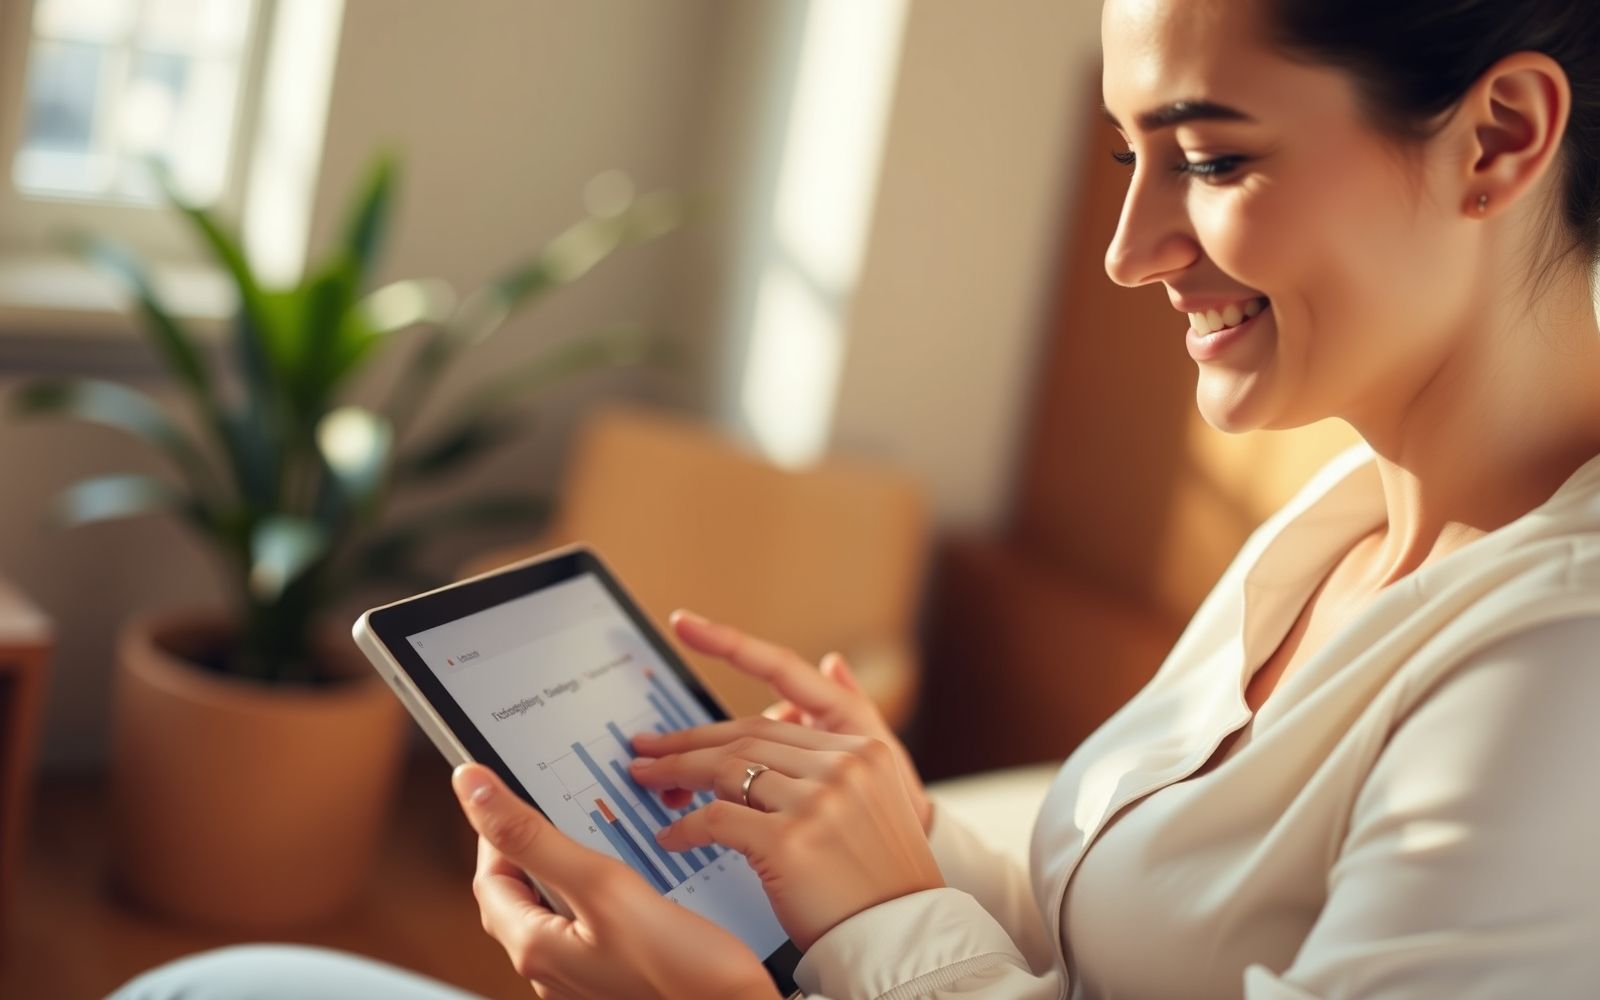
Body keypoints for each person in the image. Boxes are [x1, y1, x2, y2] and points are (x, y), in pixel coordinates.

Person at [113, 0, 1600, 996]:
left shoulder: (1557, 683)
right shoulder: (1351, 519)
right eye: (1127, 156)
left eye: (1210, 159)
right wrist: (873, 821)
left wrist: (855, 935)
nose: (1132, 248)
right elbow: (1114, 930)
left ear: (1502, 138)